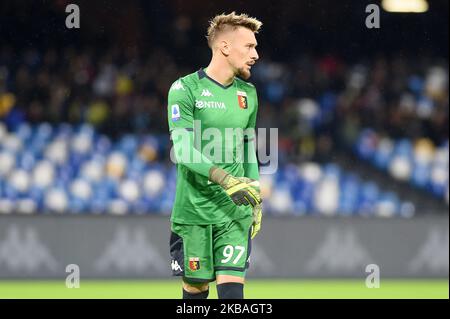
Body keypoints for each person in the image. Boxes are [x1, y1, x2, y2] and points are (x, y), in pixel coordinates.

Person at [167, 12, 263, 299]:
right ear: (224, 47)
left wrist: (256, 197)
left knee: (233, 296)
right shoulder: (185, 89)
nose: (256, 54)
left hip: (234, 213)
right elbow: (182, 150)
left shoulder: (249, 94)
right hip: (193, 212)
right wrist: (226, 180)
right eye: (249, 46)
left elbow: (248, 147)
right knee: (196, 293)